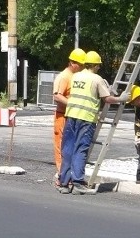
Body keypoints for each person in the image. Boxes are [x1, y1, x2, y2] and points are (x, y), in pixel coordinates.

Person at [57, 50, 127, 195]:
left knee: (68, 150)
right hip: (86, 118)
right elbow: (107, 99)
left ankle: (63, 183)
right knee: (80, 150)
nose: (99, 68)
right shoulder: (97, 79)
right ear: (95, 65)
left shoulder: (75, 76)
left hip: (71, 116)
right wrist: (121, 98)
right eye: (98, 66)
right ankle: (77, 183)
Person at [51, 47, 86, 186]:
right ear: (72, 63)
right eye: (80, 64)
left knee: (71, 147)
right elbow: (57, 96)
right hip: (62, 116)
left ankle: (69, 176)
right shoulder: (64, 76)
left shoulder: (75, 76)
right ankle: (62, 177)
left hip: (71, 116)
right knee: (62, 147)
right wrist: (73, 105)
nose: (82, 66)